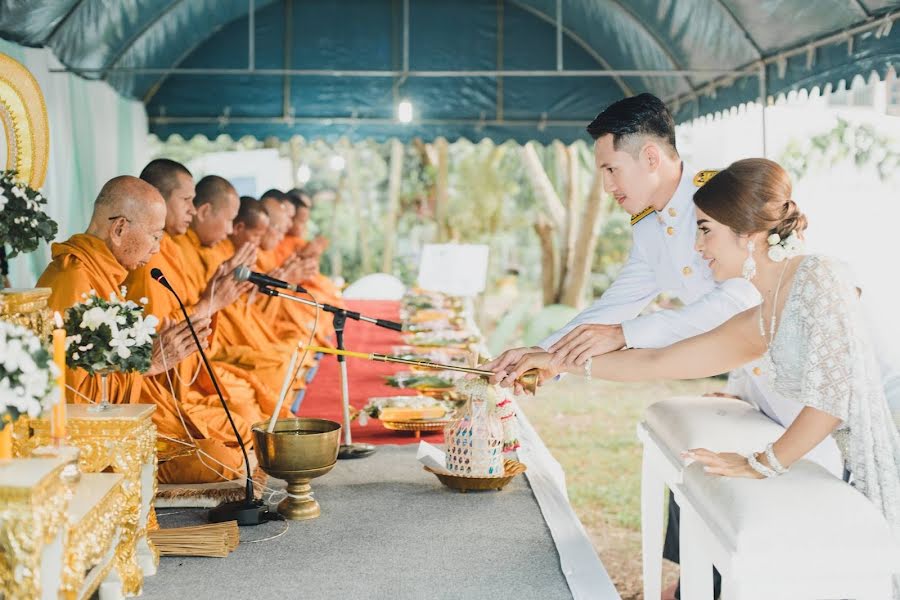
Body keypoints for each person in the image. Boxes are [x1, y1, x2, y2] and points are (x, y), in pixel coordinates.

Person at [494, 159, 900, 597]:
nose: (698, 245)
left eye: (706, 229)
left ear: (748, 235)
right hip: (855, 456)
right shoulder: (766, 312)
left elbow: (828, 405)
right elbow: (661, 362)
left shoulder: (820, 277)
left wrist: (762, 462)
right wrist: (558, 362)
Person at [36, 176, 250, 484]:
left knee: (229, 446)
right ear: (120, 229)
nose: (157, 247)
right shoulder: (73, 281)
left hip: (141, 408)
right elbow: (73, 399)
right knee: (221, 459)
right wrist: (149, 363)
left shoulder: (107, 274)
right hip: (96, 437)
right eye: (153, 235)